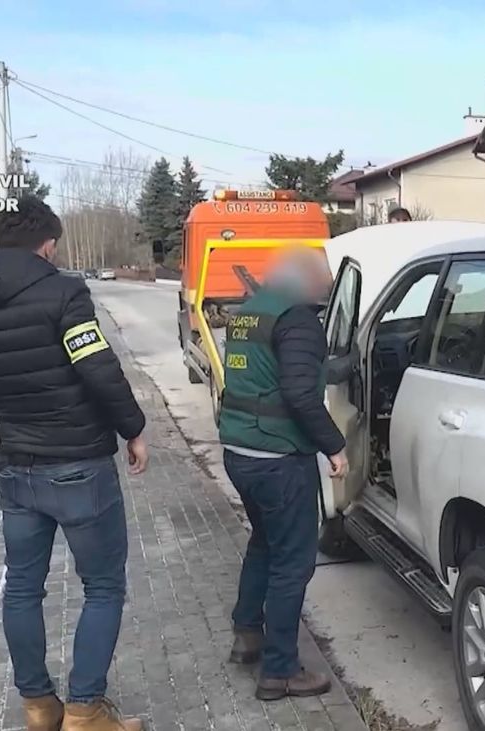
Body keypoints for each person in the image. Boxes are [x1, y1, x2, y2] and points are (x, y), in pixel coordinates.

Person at [0, 196, 148, 731]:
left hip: (15, 464)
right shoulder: (63, 291)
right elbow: (97, 368)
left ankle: (39, 707)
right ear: (47, 243)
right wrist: (133, 429)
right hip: (78, 465)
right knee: (104, 586)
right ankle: (84, 712)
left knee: (22, 587)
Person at [218, 246, 346, 700]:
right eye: (324, 280)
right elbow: (298, 392)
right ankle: (279, 672)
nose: (328, 288)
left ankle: (247, 635)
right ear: (304, 281)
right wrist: (335, 446)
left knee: (264, 543)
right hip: (278, 457)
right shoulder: (298, 319)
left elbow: (274, 373)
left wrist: (335, 368)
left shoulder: (250, 311)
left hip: (238, 449)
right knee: (293, 563)